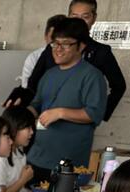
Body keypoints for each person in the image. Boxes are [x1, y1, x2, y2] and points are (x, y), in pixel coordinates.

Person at [26, 18, 107, 182]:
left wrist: (60, 113)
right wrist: (23, 113)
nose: (58, 49)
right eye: (55, 43)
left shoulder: (92, 76)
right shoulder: (49, 74)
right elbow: (37, 104)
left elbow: (94, 114)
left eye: (66, 44)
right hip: (36, 157)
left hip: (67, 163)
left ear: (81, 46)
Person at [18, 1, 126, 122]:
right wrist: (26, 107)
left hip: (79, 121)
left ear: (94, 18)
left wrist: (99, 113)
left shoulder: (101, 53)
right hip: (45, 118)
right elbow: (33, 82)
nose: (79, 22)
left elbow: (119, 86)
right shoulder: (52, 49)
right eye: (75, 17)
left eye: (85, 17)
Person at [0, 107, 36, 192]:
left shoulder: (20, 155)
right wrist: (23, 179)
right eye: (28, 127)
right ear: (14, 128)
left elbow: (19, 190)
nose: (32, 132)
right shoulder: (0, 159)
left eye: (32, 128)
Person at [22, 14, 66, 88]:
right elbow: (27, 88)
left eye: (62, 40)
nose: (58, 47)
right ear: (45, 36)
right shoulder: (34, 57)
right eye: (53, 40)